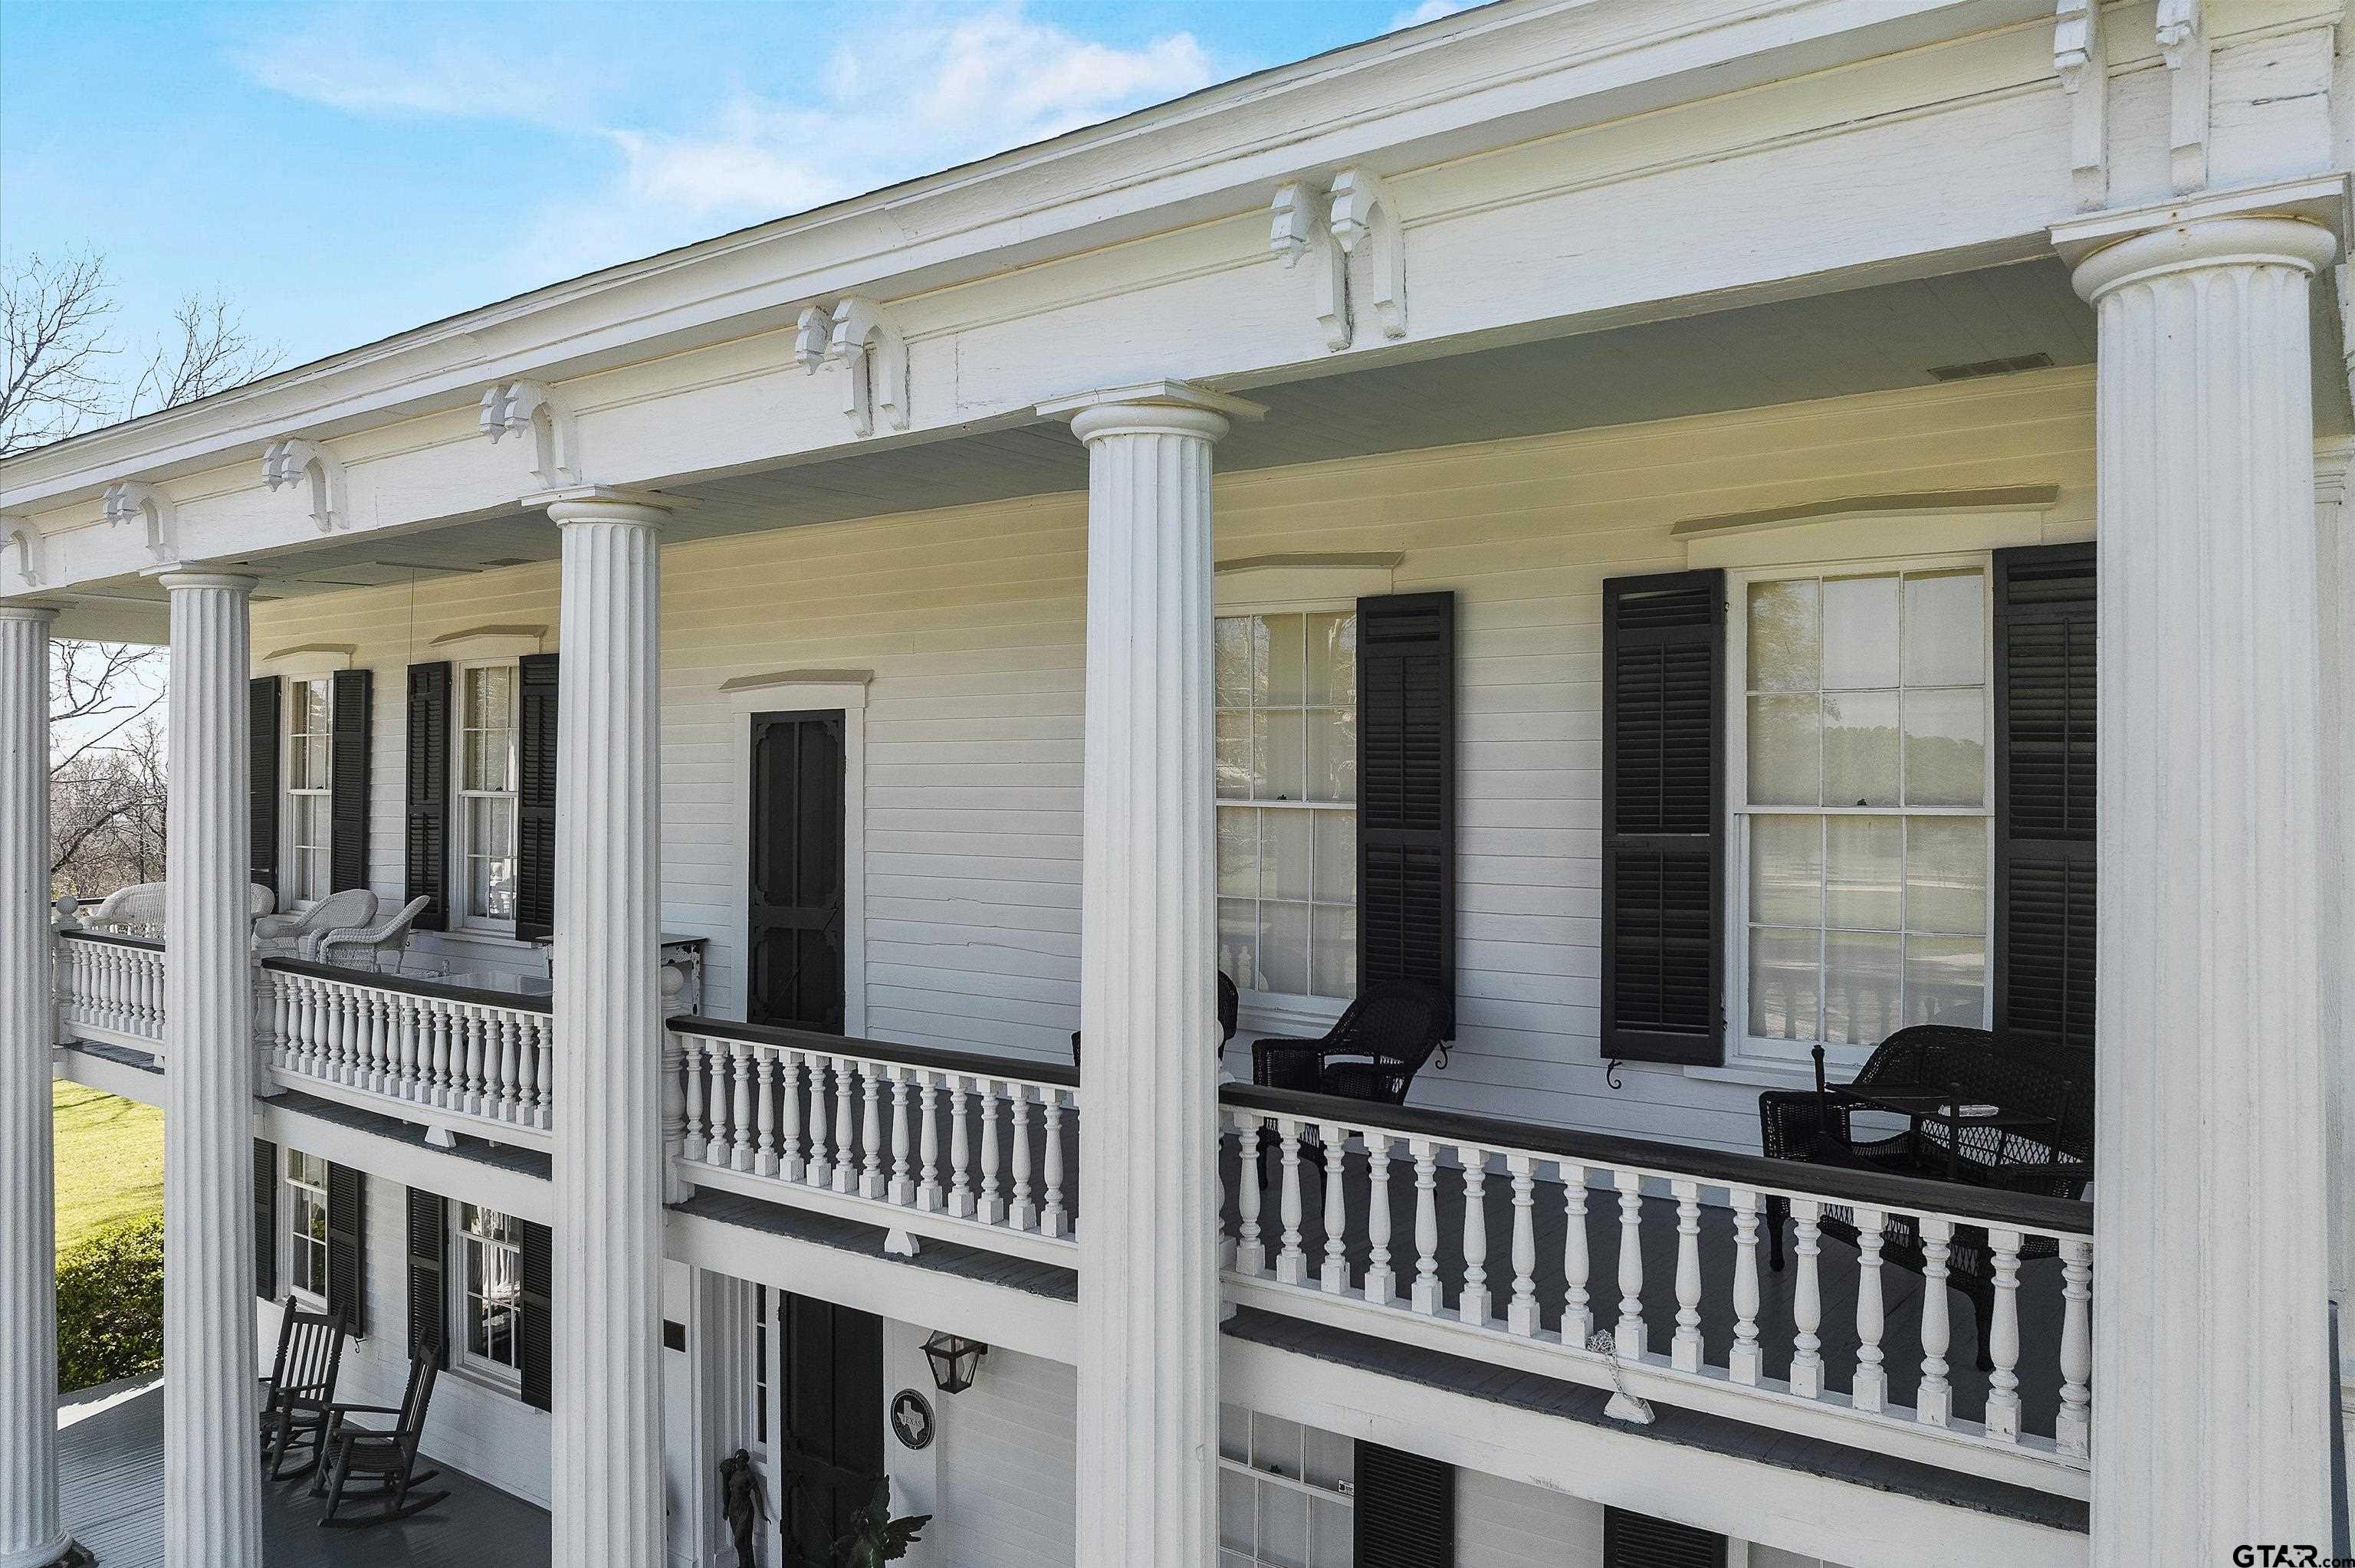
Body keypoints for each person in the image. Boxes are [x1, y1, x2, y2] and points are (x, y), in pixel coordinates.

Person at [718, 1446, 768, 1567]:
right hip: (733, 1508)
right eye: (739, 1461)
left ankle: (746, 1563)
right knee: (742, 1540)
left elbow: (757, 1492)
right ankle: (744, 1565)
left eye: (743, 1461)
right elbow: (727, 1489)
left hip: (745, 1509)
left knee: (740, 1541)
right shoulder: (733, 1472)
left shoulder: (748, 1475)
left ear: (746, 1461)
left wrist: (762, 1513)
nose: (741, 1463)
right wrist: (726, 1507)